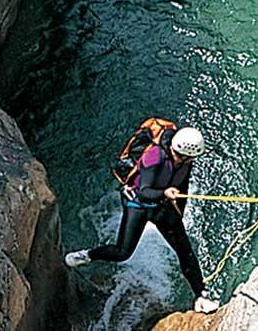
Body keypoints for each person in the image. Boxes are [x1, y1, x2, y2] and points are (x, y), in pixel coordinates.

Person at [64, 124, 219, 314]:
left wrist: (179, 212)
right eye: (186, 158)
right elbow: (144, 191)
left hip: (162, 205)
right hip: (138, 205)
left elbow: (183, 185)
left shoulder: (186, 161)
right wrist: (165, 192)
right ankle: (88, 255)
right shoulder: (154, 156)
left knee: (185, 252)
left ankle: (201, 296)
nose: (188, 161)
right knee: (123, 252)